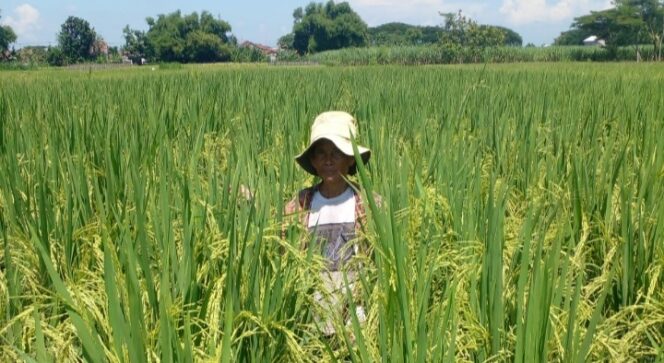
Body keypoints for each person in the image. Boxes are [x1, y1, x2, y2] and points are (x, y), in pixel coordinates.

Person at [283, 111, 376, 337]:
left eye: (337, 153)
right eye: (321, 153)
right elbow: (282, 252)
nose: (328, 160)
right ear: (313, 161)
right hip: (311, 326)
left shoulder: (369, 206)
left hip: (356, 327)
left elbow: (379, 267)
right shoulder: (300, 205)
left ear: (351, 158)